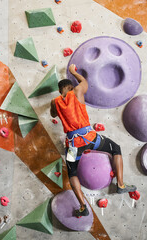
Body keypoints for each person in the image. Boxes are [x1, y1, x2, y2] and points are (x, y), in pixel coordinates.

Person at [50, 64, 136, 218]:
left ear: (59, 91)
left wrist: (57, 104)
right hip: (90, 137)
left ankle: (83, 207)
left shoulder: (55, 101)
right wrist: (73, 72)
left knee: (72, 173)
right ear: (71, 87)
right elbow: (84, 82)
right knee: (115, 148)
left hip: (72, 145)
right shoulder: (77, 91)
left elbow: (53, 114)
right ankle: (121, 184)